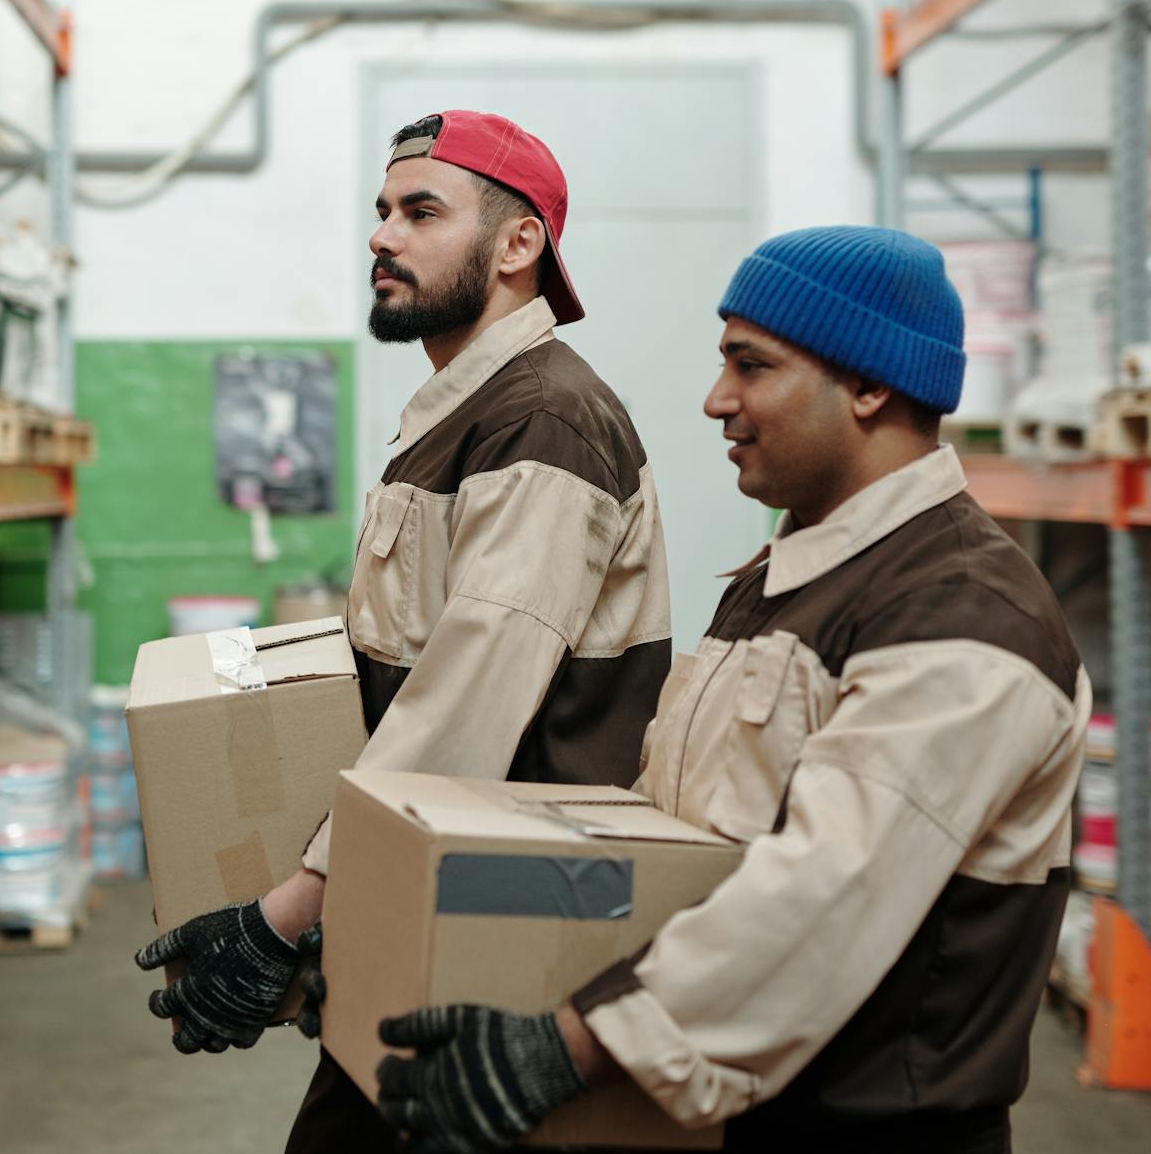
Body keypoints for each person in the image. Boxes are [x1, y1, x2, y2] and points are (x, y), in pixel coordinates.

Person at [370, 225, 1091, 1154]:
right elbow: (676, 829)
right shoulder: (786, 575)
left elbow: (823, 896)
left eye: (752, 367)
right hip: (726, 1115)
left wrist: (567, 1045)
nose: (717, 401)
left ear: (870, 385)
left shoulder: (964, 613)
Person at [134, 110, 674, 1151]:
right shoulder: (458, 411)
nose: (381, 235)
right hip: (440, 888)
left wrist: (284, 911)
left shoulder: (541, 419)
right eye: (380, 211)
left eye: (421, 210)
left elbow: (469, 694)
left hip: (509, 920)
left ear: (518, 246)